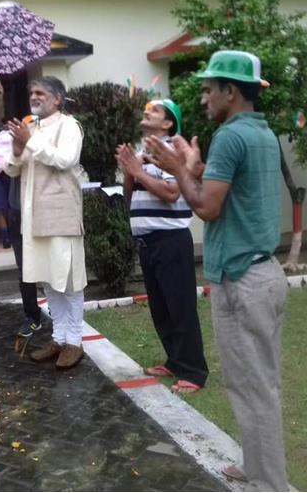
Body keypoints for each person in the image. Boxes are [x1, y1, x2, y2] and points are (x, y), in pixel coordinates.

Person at [144, 50, 288, 491]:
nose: (204, 97)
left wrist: (174, 168)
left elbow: (205, 206)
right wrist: (194, 167)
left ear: (231, 91)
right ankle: (255, 463)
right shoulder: (261, 133)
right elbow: (227, 186)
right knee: (255, 382)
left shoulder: (229, 135)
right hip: (263, 275)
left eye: (209, 89)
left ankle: (270, 483)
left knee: (254, 387)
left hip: (243, 280)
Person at [116, 99, 209, 394]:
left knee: (180, 307)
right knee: (161, 307)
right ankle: (174, 360)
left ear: (168, 123)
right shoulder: (144, 152)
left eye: (154, 110)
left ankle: (193, 372)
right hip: (148, 240)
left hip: (171, 240)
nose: (147, 112)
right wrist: (130, 171)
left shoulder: (172, 152)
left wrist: (139, 171)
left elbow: (171, 192)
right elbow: (129, 198)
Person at [4, 76, 87, 369]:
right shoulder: (32, 128)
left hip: (61, 213)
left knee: (69, 280)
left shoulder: (70, 126)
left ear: (57, 100)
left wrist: (30, 141)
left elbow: (65, 159)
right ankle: (59, 337)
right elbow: (13, 169)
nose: (34, 97)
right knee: (50, 279)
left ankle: (74, 342)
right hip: (34, 215)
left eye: (40, 93)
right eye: (32, 93)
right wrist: (16, 148)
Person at [0, 79, 42, 338]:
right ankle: (32, 316)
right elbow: (0, 127)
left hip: (42, 216)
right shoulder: (14, 150)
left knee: (49, 267)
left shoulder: (44, 151)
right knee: (26, 269)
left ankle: (61, 322)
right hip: (17, 215)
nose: (24, 131)